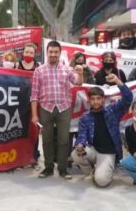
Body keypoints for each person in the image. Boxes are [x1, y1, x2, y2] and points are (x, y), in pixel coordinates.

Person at [31, 40, 83, 180]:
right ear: (46, 53)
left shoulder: (67, 69)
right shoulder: (39, 70)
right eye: (51, 52)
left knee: (64, 140)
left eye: (56, 52)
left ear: (60, 53)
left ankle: (62, 169)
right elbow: (34, 95)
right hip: (45, 109)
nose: (53, 54)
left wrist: (80, 73)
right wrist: (35, 115)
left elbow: (77, 81)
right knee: (46, 140)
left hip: (64, 108)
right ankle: (48, 168)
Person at [71, 74, 132, 187]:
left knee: (102, 182)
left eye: (98, 98)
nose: (96, 102)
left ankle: (105, 169)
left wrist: (118, 81)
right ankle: (90, 173)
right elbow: (82, 134)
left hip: (108, 153)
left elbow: (128, 98)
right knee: (75, 154)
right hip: (93, 150)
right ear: (89, 100)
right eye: (93, 99)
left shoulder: (112, 110)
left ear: (104, 99)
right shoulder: (85, 117)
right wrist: (80, 144)